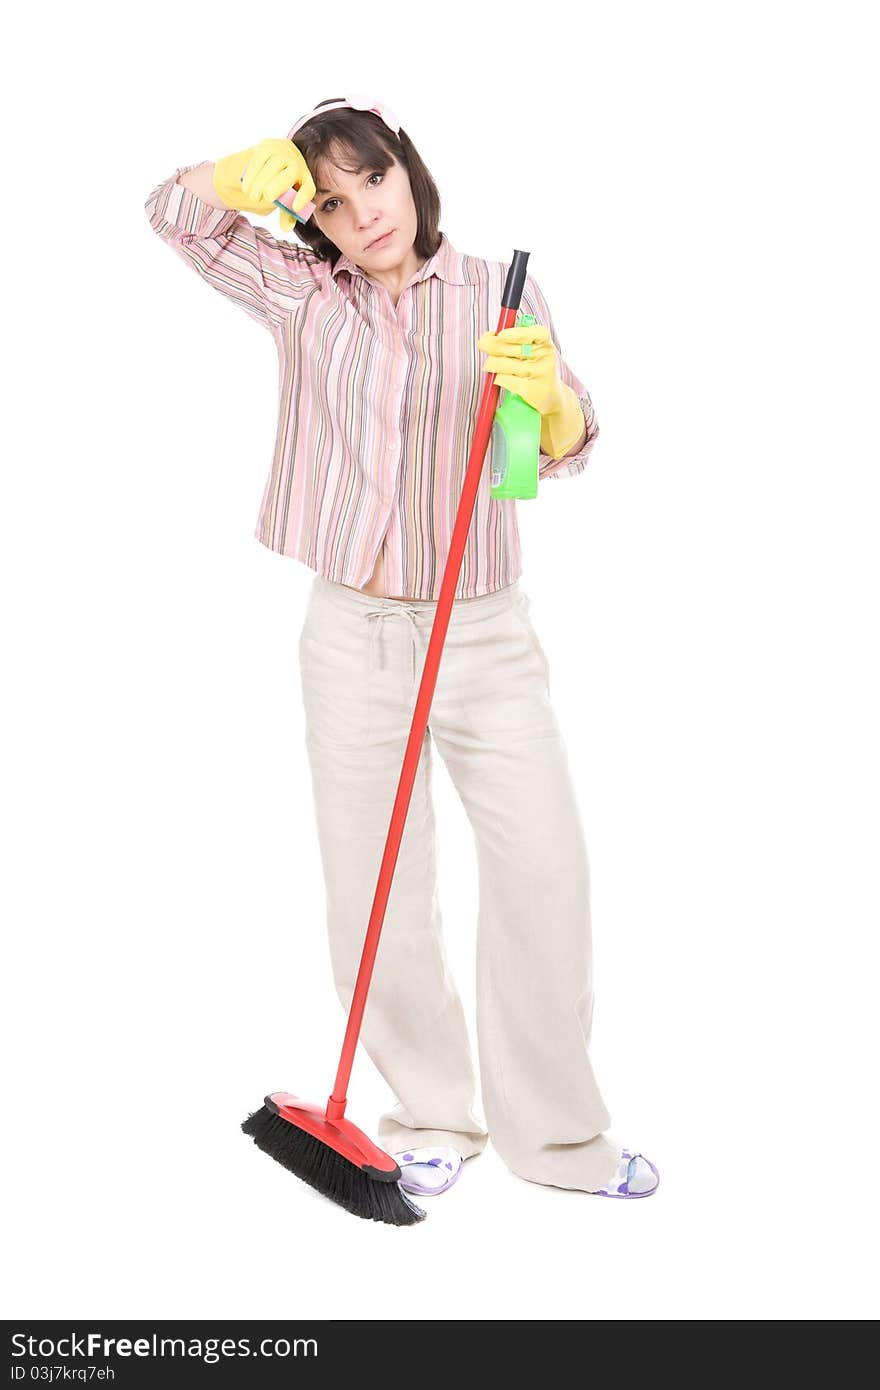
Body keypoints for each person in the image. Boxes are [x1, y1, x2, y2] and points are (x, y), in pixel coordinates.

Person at [144, 94, 659, 1201]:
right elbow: (172, 215)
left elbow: (537, 462)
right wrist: (232, 173)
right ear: (311, 220)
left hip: (482, 630)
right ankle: (428, 1115)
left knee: (544, 873)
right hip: (352, 634)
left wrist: (555, 409)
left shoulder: (493, 291)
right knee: (377, 886)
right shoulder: (298, 295)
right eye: (327, 200)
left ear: (407, 173)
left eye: (371, 180)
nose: (360, 214)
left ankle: (558, 1140)